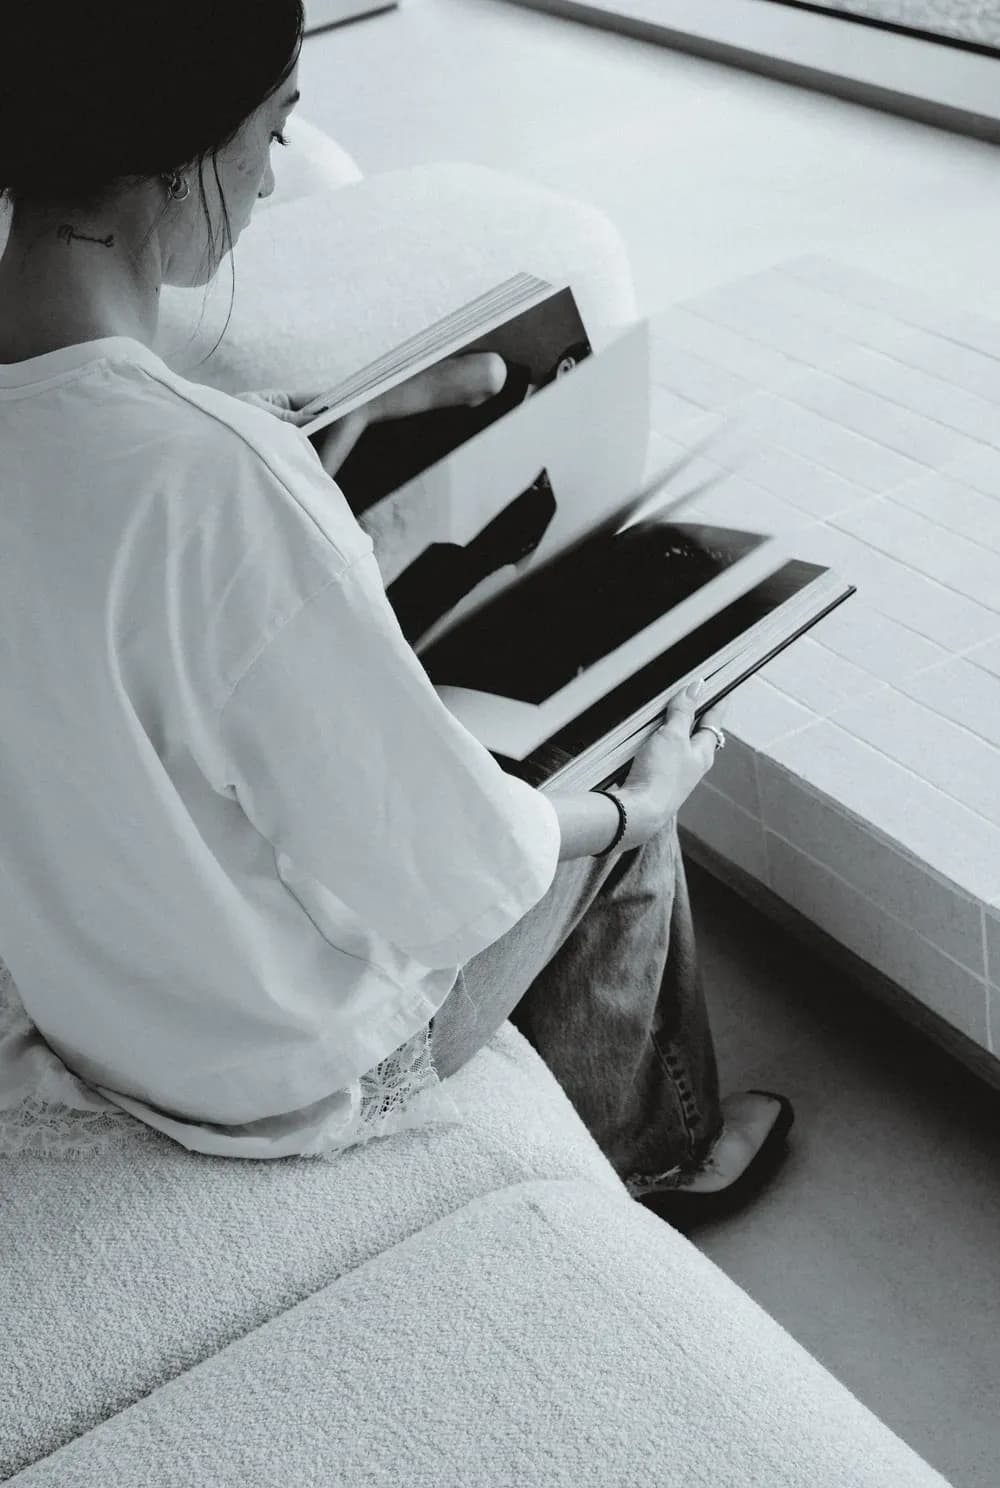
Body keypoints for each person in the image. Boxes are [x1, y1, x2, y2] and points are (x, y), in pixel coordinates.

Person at [0, 0, 793, 1226]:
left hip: (89, 999)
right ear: (177, 156)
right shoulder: (215, 479)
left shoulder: (176, 457)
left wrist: (313, 449)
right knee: (627, 724)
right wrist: (642, 801)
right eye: (273, 132)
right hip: (269, 1072)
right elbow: (447, 864)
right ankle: (658, 1147)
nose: (270, 178)